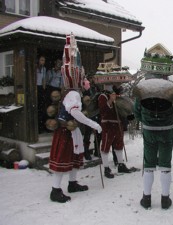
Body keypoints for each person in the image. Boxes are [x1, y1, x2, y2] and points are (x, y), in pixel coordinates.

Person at [49, 34, 102, 203]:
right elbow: (76, 113)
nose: (85, 80)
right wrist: (93, 123)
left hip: (70, 130)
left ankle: (72, 183)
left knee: (74, 157)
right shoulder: (73, 93)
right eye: (83, 77)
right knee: (63, 160)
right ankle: (55, 190)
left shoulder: (72, 92)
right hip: (66, 130)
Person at [133, 44, 173, 209]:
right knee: (165, 164)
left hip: (149, 131)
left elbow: (136, 111)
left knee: (148, 165)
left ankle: (146, 198)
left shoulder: (143, 88)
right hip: (167, 131)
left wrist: (145, 122)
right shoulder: (172, 90)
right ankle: (165, 199)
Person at [98, 83, 131, 178]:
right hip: (108, 124)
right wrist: (110, 101)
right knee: (105, 146)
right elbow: (103, 111)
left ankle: (120, 164)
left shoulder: (118, 95)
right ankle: (106, 168)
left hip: (118, 124)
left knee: (119, 144)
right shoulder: (102, 96)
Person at [36, 55, 47, 133]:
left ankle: (41, 126)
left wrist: (43, 89)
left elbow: (43, 79)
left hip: (40, 87)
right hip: (35, 87)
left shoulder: (44, 69)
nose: (43, 62)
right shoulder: (35, 68)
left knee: (42, 106)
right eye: (41, 60)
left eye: (44, 60)